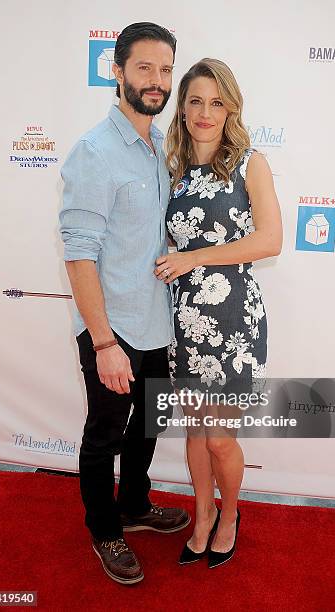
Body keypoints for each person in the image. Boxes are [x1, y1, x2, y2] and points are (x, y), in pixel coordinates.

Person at [59, 23, 190, 586]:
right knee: (105, 434)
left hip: (159, 323)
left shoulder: (163, 146)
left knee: (148, 429)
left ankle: (135, 507)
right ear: (117, 71)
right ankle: (104, 528)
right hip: (114, 329)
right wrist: (104, 341)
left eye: (165, 70)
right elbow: (80, 254)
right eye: (145, 68)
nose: (157, 82)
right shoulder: (94, 151)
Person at [155, 58, 282, 568]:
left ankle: (230, 515)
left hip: (232, 322)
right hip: (184, 322)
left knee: (219, 436)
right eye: (195, 101)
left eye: (216, 101)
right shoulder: (173, 170)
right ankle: (201, 516)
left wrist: (195, 257)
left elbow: (271, 240)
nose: (205, 112)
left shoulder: (250, 162)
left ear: (230, 107)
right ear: (182, 109)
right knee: (194, 431)